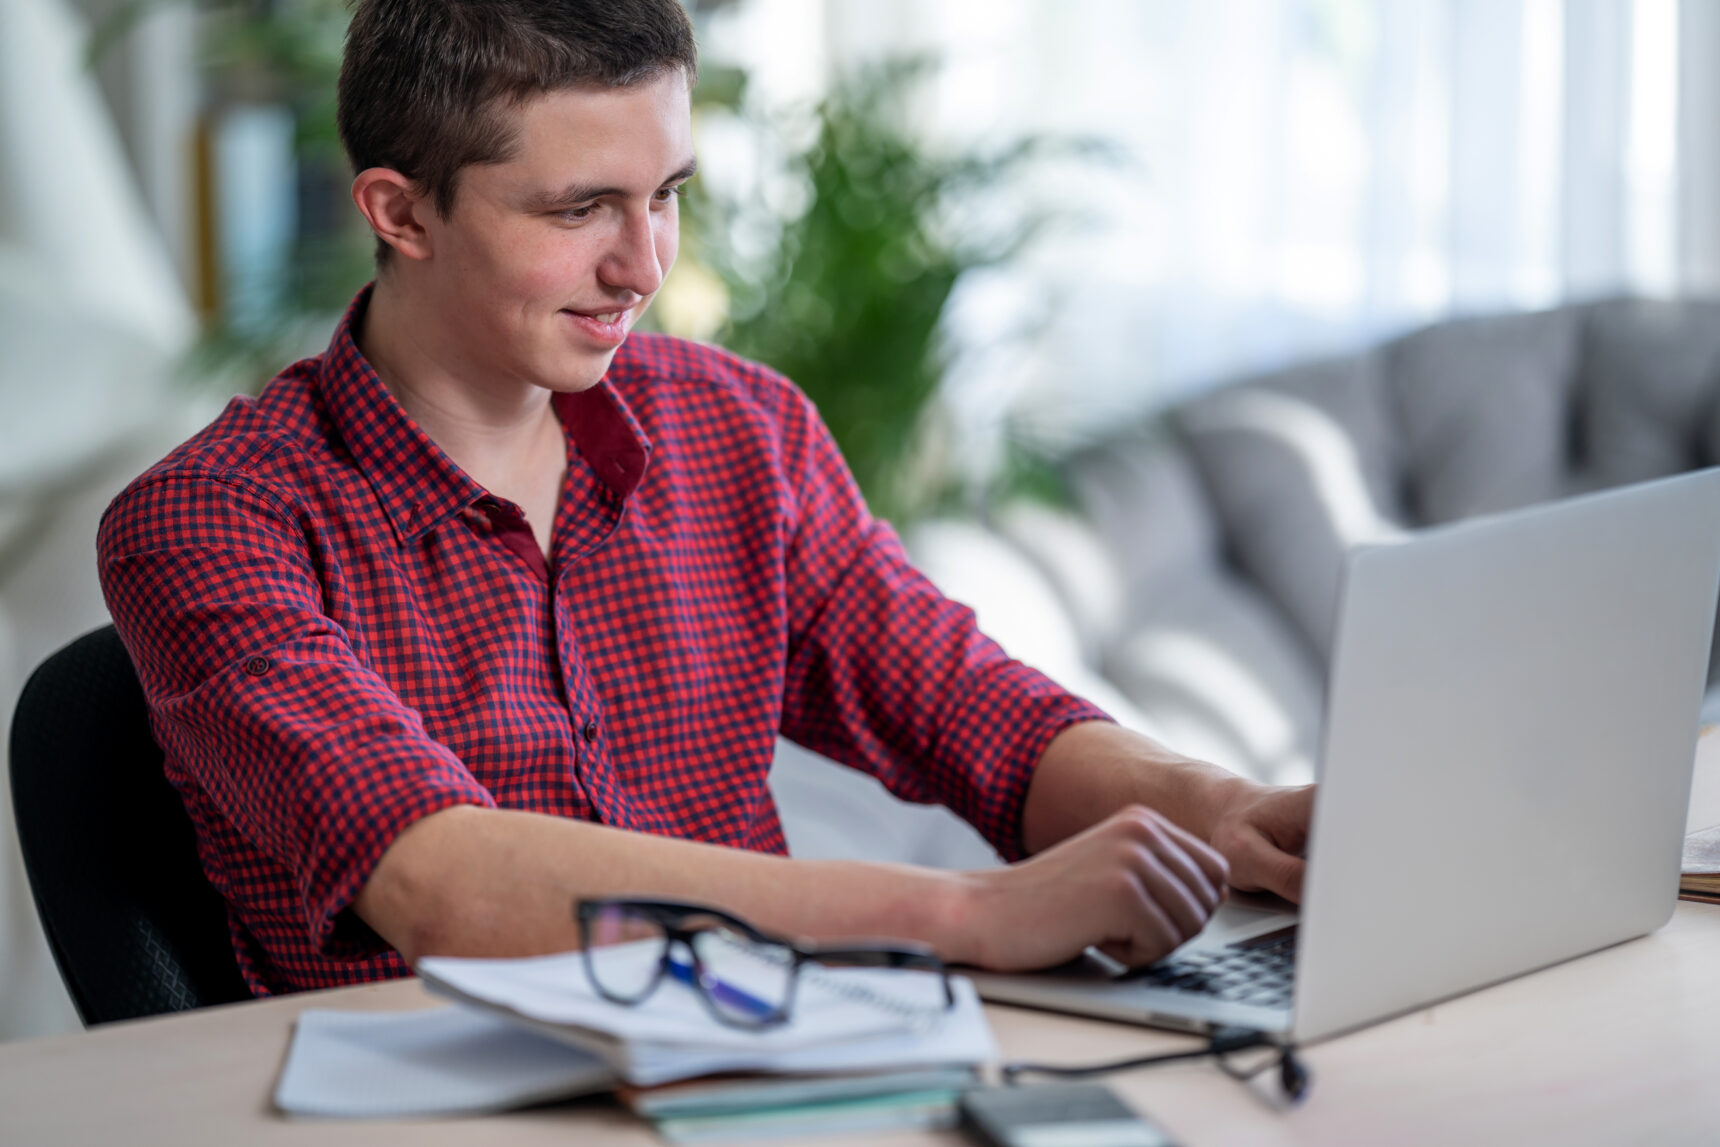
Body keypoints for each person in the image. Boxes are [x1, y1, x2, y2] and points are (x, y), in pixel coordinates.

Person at [97, 0, 1312, 997]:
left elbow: (964, 706)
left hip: (769, 1076)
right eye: (580, 211)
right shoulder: (211, 521)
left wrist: (1224, 808)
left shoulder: (739, 426)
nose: (644, 266)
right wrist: (963, 914)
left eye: (666, 192)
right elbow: (440, 881)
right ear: (400, 211)